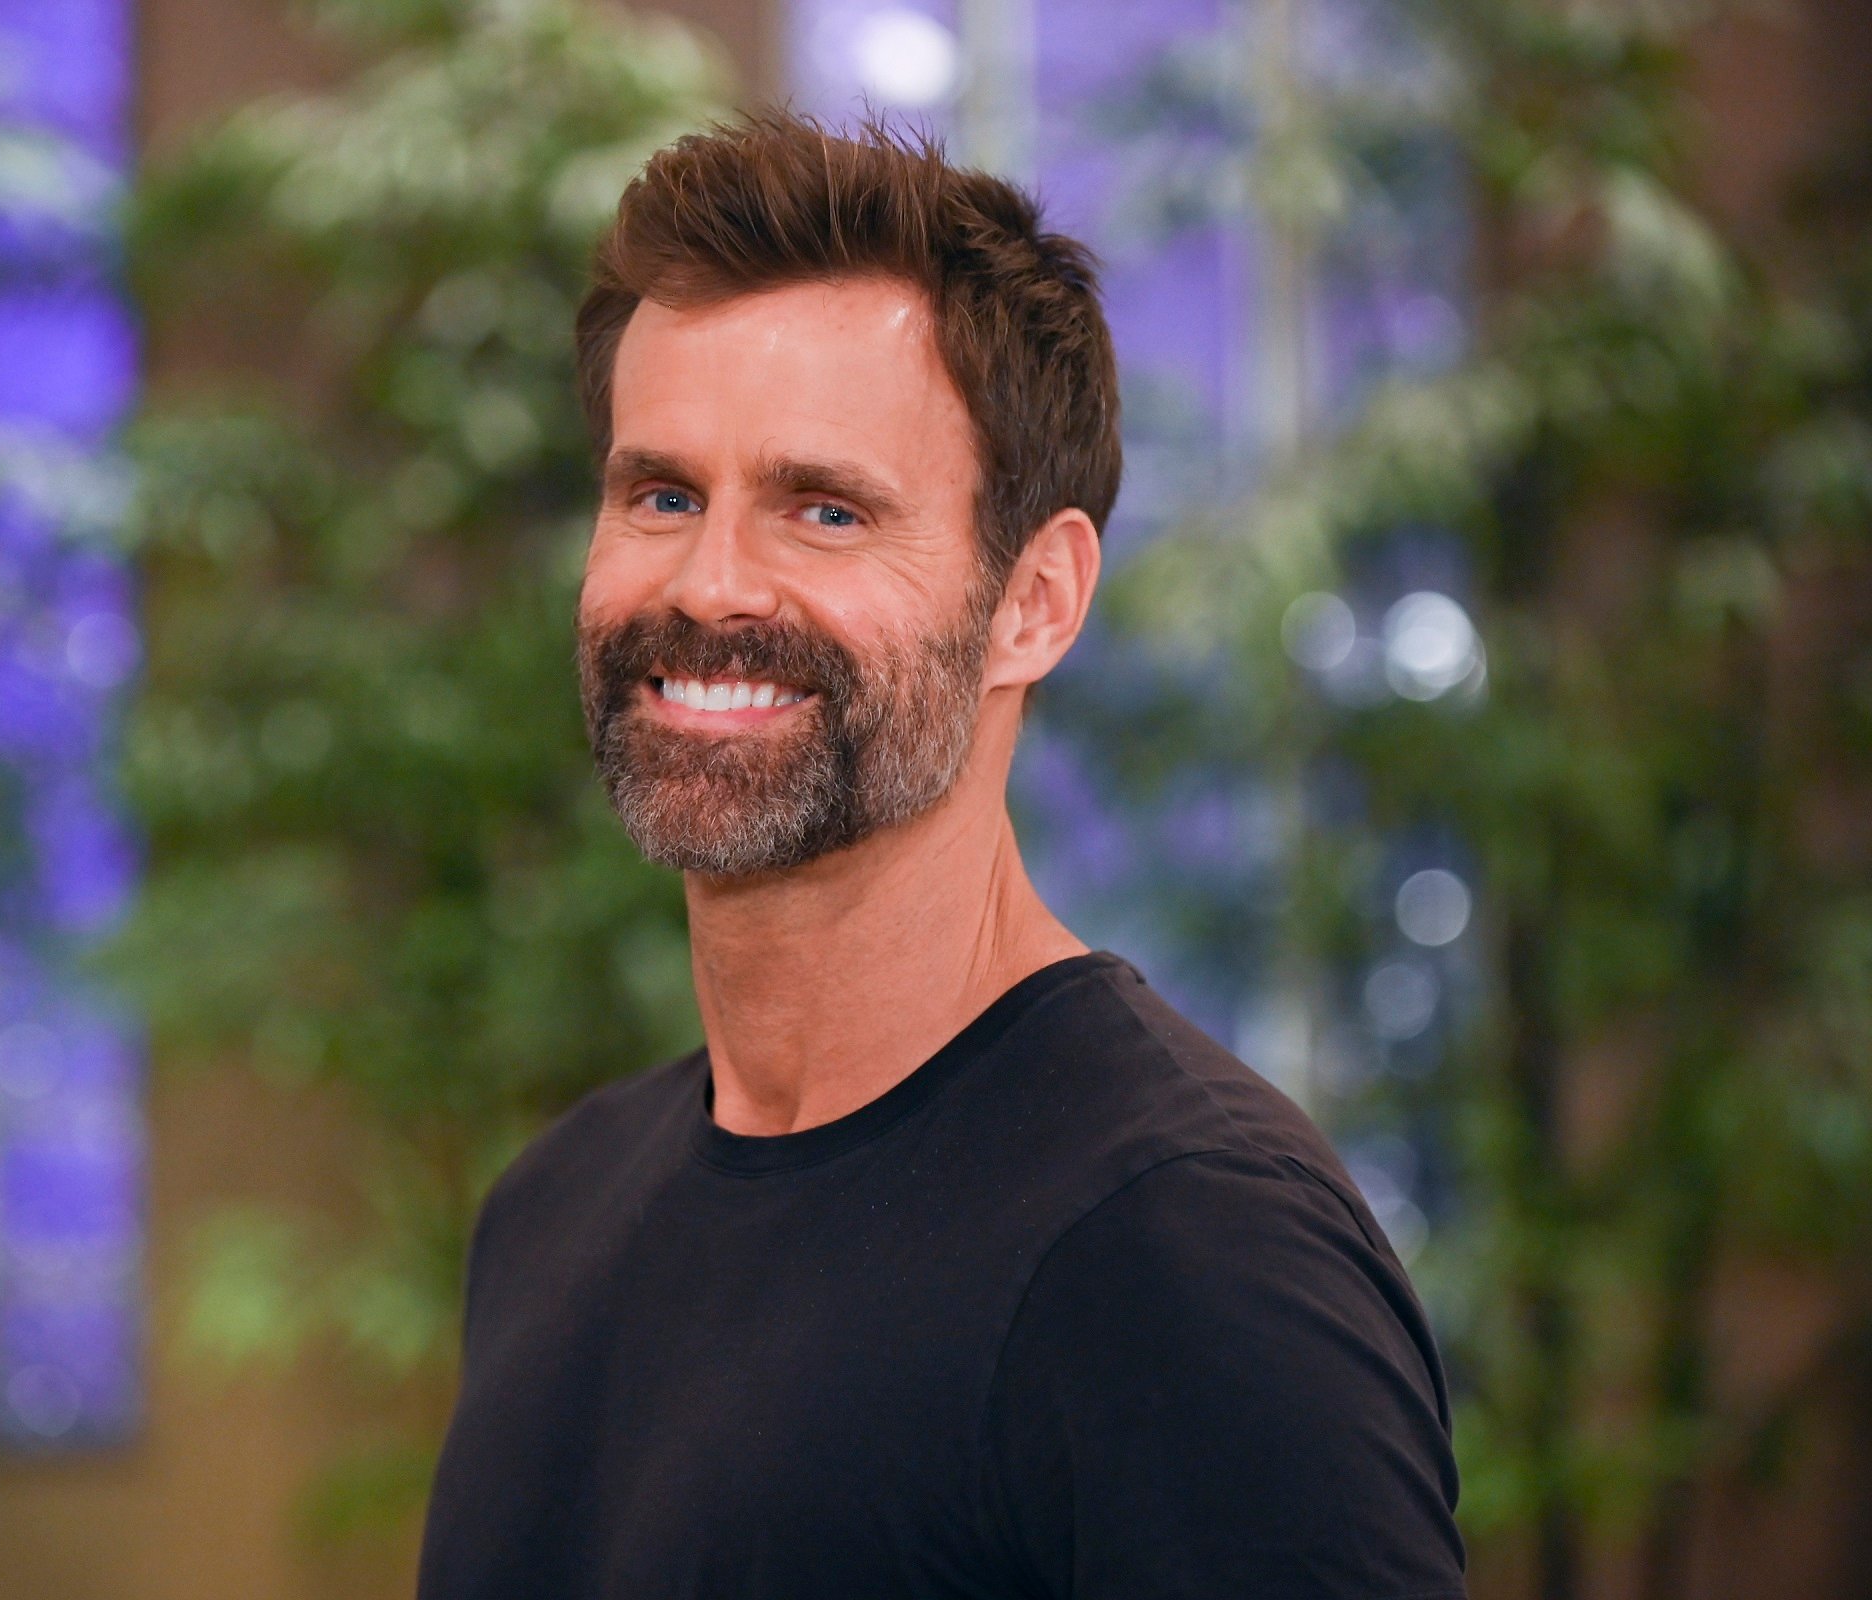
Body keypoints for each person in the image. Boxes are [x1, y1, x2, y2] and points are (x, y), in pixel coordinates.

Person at [417, 113, 1466, 1600]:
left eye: (824, 509)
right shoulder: (554, 1212)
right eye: (660, 494)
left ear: (1034, 602)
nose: (710, 583)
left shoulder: (1190, 1257)